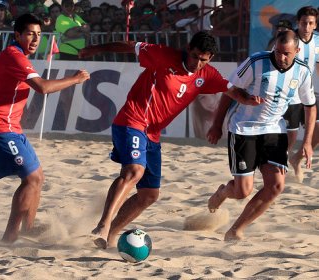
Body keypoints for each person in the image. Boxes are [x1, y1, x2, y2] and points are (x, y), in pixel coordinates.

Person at [78, 31, 263, 249]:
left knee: (149, 195)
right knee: (134, 171)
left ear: (210, 58)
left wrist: (248, 100)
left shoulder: (208, 74)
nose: (197, 63)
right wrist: (96, 49)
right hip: (132, 121)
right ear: (188, 49)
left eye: (203, 59)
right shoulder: (163, 55)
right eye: (194, 56)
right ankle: (103, 225)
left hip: (153, 134)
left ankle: (111, 235)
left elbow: (231, 90)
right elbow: (129, 45)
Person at [0, 13, 90, 243]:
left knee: (38, 177)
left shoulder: (10, 55)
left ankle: (28, 229)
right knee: (32, 178)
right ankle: (10, 237)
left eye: (38, 35)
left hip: (11, 128)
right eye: (30, 34)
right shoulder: (14, 56)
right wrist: (74, 79)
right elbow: (42, 87)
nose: (35, 39)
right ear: (17, 35)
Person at [206, 30, 316, 241]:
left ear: (297, 51)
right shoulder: (256, 62)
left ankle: (235, 230)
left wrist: (308, 141)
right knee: (242, 192)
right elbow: (228, 90)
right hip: (243, 129)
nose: (281, 58)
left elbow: (310, 106)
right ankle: (222, 193)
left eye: (286, 54)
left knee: (276, 186)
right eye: (278, 52)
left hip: (274, 130)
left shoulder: (302, 71)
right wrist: (217, 124)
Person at [284, 6, 319, 182]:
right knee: (289, 140)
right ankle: (279, 172)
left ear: (315, 25)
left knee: (318, 129)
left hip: (308, 94)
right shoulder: (289, 39)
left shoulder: (318, 41)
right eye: (304, 23)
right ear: (298, 23)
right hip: (289, 97)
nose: (307, 26)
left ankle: (297, 158)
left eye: (310, 23)